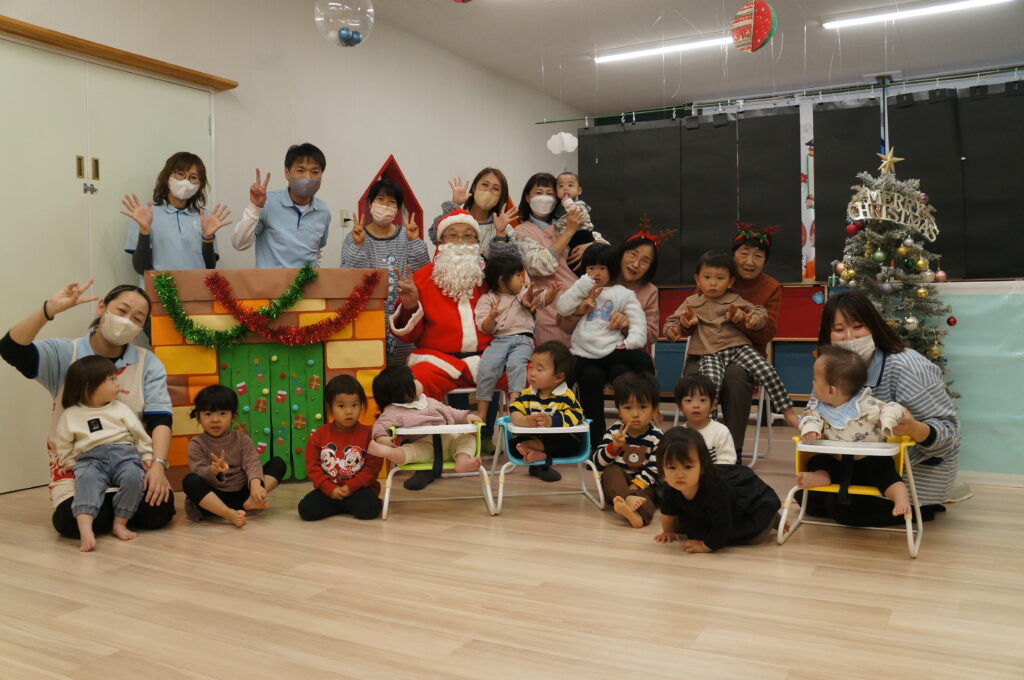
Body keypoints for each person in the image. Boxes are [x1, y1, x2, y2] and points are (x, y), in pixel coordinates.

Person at [1, 281, 175, 538]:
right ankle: (111, 509)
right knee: (69, 524)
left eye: (137, 318)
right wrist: (49, 309)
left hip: (130, 462)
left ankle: (109, 508)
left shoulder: (147, 362)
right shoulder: (65, 353)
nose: (127, 321)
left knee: (157, 513)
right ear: (102, 307)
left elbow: (160, 419)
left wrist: (158, 465)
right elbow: (10, 349)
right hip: (81, 466)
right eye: (122, 310)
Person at [810, 290, 960, 526]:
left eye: (858, 326)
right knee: (811, 497)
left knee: (846, 509)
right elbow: (815, 408)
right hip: (855, 462)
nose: (849, 337)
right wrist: (810, 424)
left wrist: (912, 428)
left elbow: (949, 435)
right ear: (827, 334)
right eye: (838, 330)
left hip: (906, 469)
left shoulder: (908, 367)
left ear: (874, 326)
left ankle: (921, 507)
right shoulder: (830, 366)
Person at [676, 222, 783, 456]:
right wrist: (684, 325)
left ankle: (731, 451)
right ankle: (699, 444)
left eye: (758, 256)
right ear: (734, 255)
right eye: (744, 254)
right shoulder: (713, 276)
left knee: (735, 378)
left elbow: (767, 333)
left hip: (744, 353)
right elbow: (688, 322)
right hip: (704, 349)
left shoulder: (771, 287)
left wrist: (742, 321)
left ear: (765, 260)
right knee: (696, 377)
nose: (750, 261)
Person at [663, 251, 799, 431]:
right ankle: (709, 430)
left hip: (738, 347)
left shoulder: (734, 299)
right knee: (710, 385)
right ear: (697, 280)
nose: (713, 282)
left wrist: (751, 319)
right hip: (709, 352)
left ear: (730, 282)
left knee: (766, 370)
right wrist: (673, 330)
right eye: (707, 277)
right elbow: (672, 321)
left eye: (720, 278)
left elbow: (760, 311)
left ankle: (788, 412)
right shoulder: (691, 302)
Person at [389, 209, 494, 401]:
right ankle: (438, 421)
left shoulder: (490, 277)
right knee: (418, 380)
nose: (460, 241)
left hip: (486, 358)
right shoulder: (422, 278)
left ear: (477, 242)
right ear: (441, 242)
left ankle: (503, 420)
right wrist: (410, 306)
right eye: (452, 235)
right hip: (438, 360)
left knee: (525, 372)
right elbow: (407, 336)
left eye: (468, 236)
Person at [556, 243, 653, 444]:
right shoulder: (581, 290)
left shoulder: (622, 293)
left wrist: (632, 341)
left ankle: (646, 414)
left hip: (611, 350)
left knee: (642, 359)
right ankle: (590, 438)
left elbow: (638, 319)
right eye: (591, 268)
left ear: (612, 269)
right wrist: (581, 293)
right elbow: (562, 308)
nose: (596, 273)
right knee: (577, 376)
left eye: (602, 268)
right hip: (584, 352)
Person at [797, 346, 911, 516]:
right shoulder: (819, 408)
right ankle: (822, 476)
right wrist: (810, 430)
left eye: (815, 379)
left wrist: (887, 420)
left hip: (868, 461)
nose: (812, 383)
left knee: (884, 471)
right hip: (836, 463)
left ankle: (900, 497)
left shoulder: (866, 405)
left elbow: (892, 407)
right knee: (818, 460)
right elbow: (810, 418)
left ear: (831, 390)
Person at [55, 356, 152, 552]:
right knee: (86, 482)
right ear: (89, 386)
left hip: (125, 456)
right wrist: (68, 461)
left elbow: (139, 434)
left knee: (134, 479)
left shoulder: (120, 408)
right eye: (112, 379)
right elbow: (63, 442)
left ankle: (120, 522)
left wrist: (147, 455)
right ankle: (85, 528)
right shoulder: (71, 414)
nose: (118, 383)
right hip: (91, 459)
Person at [342, 178, 430, 366]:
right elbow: (351, 280)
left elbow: (423, 275)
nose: (385, 205)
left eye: (391, 202)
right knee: (370, 371)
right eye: (380, 199)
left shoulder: (407, 235)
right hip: (367, 320)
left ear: (397, 209)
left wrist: (414, 242)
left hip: (403, 318)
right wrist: (358, 245)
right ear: (370, 204)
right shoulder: (355, 237)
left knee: (403, 375)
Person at [654, 427, 781, 553]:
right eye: (671, 468)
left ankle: (772, 518)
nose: (679, 475)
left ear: (702, 467)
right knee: (687, 528)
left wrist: (705, 546)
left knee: (753, 538)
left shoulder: (715, 489)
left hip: (744, 510)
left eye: (688, 467)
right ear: (662, 468)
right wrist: (668, 531)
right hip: (708, 513)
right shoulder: (671, 485)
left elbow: (723, 525)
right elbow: (667, 512)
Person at [182, 384, 286, 527]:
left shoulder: (242, 439)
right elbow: (198, 471)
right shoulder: (196, 443)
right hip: (214, 500)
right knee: (190, 480)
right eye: (208, 414)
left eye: (222, 413)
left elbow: (252, 463)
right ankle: (228, 513)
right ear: (198, 417)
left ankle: (253, 499)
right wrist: (213, 470)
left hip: (242, 494)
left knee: (278, 463)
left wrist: (255, 486)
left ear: (233, 417)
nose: (215, 419)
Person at [367, 366, 484, 490]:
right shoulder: (393, 411)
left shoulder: (429, 401)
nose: (417, 380)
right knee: (410, 451)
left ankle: (462, 461)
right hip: (423, 445)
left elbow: (450, 412)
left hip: (451, 440)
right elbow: (380, 425)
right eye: (413, 379)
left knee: (468, 439)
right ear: (402, 391)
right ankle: (389, 453)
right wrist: (381, 438)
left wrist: (467, 416)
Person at [474, 254, 560, 421]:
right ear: (502, 279)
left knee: (516, 365)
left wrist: (553, 293)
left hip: (523, 340)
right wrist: (491, 316)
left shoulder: (523, 293)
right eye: (517, 276)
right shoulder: (488, 299)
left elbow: (543, 300)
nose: (521, 280)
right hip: (499, 340)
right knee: (486, 367)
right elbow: (485, 328)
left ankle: (514, 407)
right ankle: (481, 413)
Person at [121, 152, 232, 280]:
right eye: (180, 174)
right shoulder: (146, 215)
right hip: (160, 289)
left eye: (193, 177)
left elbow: (209, 267)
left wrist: (207, 238)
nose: (186, 181)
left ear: (200, 184)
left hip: (197, 288)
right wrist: (144, 231)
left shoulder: (205, 217)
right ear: (167, 177)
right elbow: (141, 268)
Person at [513, 172, 587, 345]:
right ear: (527, 197)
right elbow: (541, 265)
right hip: (550, 312)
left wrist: (591, 245)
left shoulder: (567, 221)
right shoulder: (521, 231)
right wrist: (569, 232)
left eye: (550, 193)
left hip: (583, 307)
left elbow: (603, 249)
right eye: (538, 193)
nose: (544, 198)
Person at [232, 143, 332, 268]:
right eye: (300, 171)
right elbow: (239, 244)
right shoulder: (267, 202)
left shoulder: (323, 211)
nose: (307, 178)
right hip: (270, 281)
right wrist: (255, 208)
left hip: (306, 281)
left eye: (315, 172)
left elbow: (317, 251)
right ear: (287, 173)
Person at [298, 375, 383, 521]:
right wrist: (329, 488)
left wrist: (351, 486)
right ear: (330, 407)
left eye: (355, 405)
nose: (349, 411)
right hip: (329, 490)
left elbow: (372, 467)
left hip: (358, 489)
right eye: (341, 406)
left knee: (370, 508)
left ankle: (345, 505)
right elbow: (313, 466)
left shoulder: (368, 434)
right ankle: (342, 505)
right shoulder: (320, 434)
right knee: (306, 510)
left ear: (362, 405)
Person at [591, 372, 663, 528]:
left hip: (642, 486)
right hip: (615, 487)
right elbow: (597, 463)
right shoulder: (614, 431)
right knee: (611, 471)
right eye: (628, 408)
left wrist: (635, 486)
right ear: (619, 411)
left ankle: (637, 517)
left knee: (647, 498)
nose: (635, 414)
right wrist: (613, 447)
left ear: (654, 409)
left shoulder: (656, 436)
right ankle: (627, 500)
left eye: (642, 407)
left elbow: (655, 469)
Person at [507, 341, 583, 482]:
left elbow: (577, 415)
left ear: (558, 377)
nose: (532, 373)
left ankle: (537, 454)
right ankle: (540, 458)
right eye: (531, 367)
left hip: (559, 440)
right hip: (535, 437)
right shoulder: (528, 393)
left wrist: (551, 421)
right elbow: (514, 410)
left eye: (539, 370)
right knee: (512, 446)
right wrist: (524, 420)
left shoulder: (565, 396)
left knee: (571, 444)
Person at [428, 169, 520, 259]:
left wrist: (500, 233)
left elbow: (509, 263)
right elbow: (435, 237)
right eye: (485, 185)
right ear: (474, 188)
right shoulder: (457, 218)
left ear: (501, 196)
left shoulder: (506, 229)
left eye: (495, 189)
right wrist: (454, 205)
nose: (488, 191)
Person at [674, 374, 737, 464]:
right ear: (680, 406)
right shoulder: (677, 435)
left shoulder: (721, 432)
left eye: (702, 400)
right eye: (689, 400)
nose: (696, 406)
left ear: (713, 404)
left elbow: (727, 462)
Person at [552, 172, 602, 277]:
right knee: (573, 265)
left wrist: (567, 202)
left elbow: (576, 213)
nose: (565, 188)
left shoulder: (579, 205)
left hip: (582, 236)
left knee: (585, 265)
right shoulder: (557, 209)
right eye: (561, 186)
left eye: (570, 185)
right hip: (569, 240)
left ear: (579, 190)